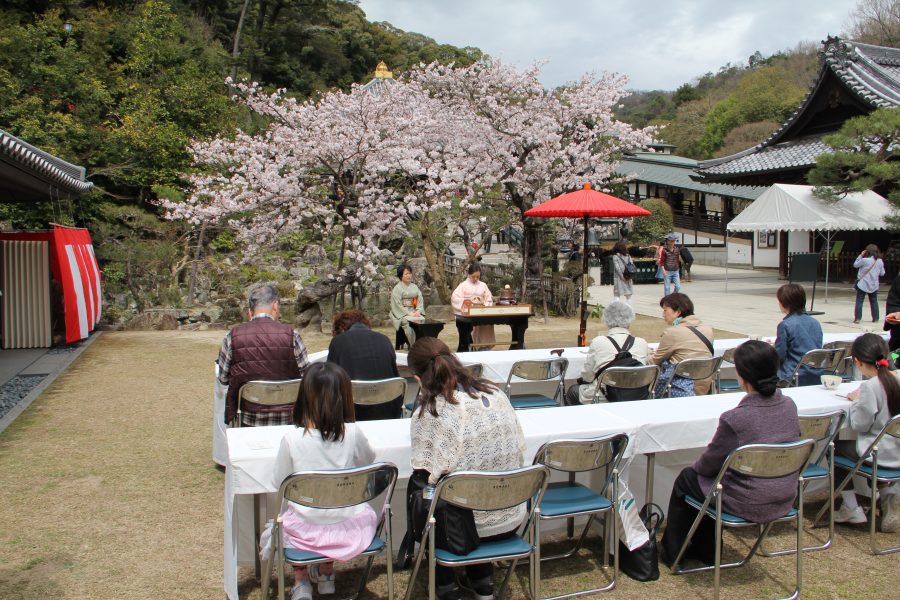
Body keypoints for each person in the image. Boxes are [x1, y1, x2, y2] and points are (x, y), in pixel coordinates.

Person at [660, 340, 801, 567]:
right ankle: (705, 549)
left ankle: (674, 552)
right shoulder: (789, 405)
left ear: (742, 376)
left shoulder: (737, 418)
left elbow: (708, 465)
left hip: (748, 500)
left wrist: (699, 469)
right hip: (785, 495)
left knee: (689, 478)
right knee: (706, 482)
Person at [407, 337, 526, 600]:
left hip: (467, 529)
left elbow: (425, 474)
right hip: (512, 512)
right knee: (460, 487)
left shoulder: (434, 412)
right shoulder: (496, 394)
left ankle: (445, 584)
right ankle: (481, 579)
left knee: (426, 489)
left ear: (418, 379)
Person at [270, 362, 377, 600]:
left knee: (292, 515)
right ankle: (327, 571)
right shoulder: (353, 433)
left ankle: (301, 580)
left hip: (306, 532)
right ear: (345, 397)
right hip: (351, 527)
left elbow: (279, 482)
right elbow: (368, 463)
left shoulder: (292, 439)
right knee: (332, 506)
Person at [832, 333, 900, 531]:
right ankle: (887, 495)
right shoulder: (895, 379)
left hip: (879, 452)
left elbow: (860, 425)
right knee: (868, 444)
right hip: (896, 449)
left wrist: (856, 403)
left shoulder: (870, 387)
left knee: (834, 445)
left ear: (857, 362)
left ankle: (851, 506)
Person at [218, 283, 309, 426]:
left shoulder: (232, 336)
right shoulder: (292, 335)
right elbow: (306, 377)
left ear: (250, 311)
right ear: (275, 306)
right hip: (288, 417)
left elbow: (223, 379)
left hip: (248, 416)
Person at [565, 300, 649, 405]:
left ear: (607, 320)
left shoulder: (599, 342)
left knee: (573, 391)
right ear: (630, 319)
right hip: (637, 395)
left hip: (605, 395)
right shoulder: (642, 343)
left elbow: (587, 376)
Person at [327, 309, 402, 420]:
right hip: (389, 410)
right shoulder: (385, 340)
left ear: (341, 328)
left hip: (352, 413)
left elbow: (330, 380)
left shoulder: (338, 342)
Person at [649, 292, 714, 397]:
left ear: (678, 312)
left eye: (665, 310)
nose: (663, 314)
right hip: (704, 385)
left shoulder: (673, 332)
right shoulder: (708, 330)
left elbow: (654, 361)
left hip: (679, 388)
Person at [774, 283, 823, 386]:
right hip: (815, 373)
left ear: (784, 303)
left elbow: (779, 356)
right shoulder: (815, 323)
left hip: (792, 375)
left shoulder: (785, 325)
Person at [450, 263, 494, 353]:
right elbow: (455, 298)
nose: (475, 279)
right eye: (473, 276)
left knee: (487, 322)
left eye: (478, 277)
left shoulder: (483, 285)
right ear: (469, 274)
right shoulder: (463, 285)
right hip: (468, 311)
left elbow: (489, 298)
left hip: (481, 310)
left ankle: (484, 346)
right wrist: (467, 301)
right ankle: (470, 345)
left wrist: (485, 305)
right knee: (467, 324)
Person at [390, 264, 424, 348]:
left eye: (409, 273)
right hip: (402, 313)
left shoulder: (414, 286)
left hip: (414, 311)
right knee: (408, 325)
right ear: (401, 276)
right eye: (406, 274)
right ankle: (415, 346)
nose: (409, 276)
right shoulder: (397, 289)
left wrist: (418, 310)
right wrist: (408, 313)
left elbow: (419, 300)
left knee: (423, 323)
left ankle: (425, 345)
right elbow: (397, 304)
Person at [853, 244, 885, 324]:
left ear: (867, 251)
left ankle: (858, 318)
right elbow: (882, 273)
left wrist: (861, 255)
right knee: (874, 301)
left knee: (859, 301)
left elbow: (855, 265)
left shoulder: (865, 260)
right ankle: (876, 318)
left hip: (863, 284)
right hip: (874, 284)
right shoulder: (880, 261)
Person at [611, 239, 635, 305]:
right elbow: (631, 266)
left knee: (617, 295)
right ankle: (629, 309)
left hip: (619, 278)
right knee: (628, 296)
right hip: (628, 277)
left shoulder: (615, 256)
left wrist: (622, 277)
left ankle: (617, 310)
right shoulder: (628, 256)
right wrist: (628, 277)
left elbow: (617, 268)